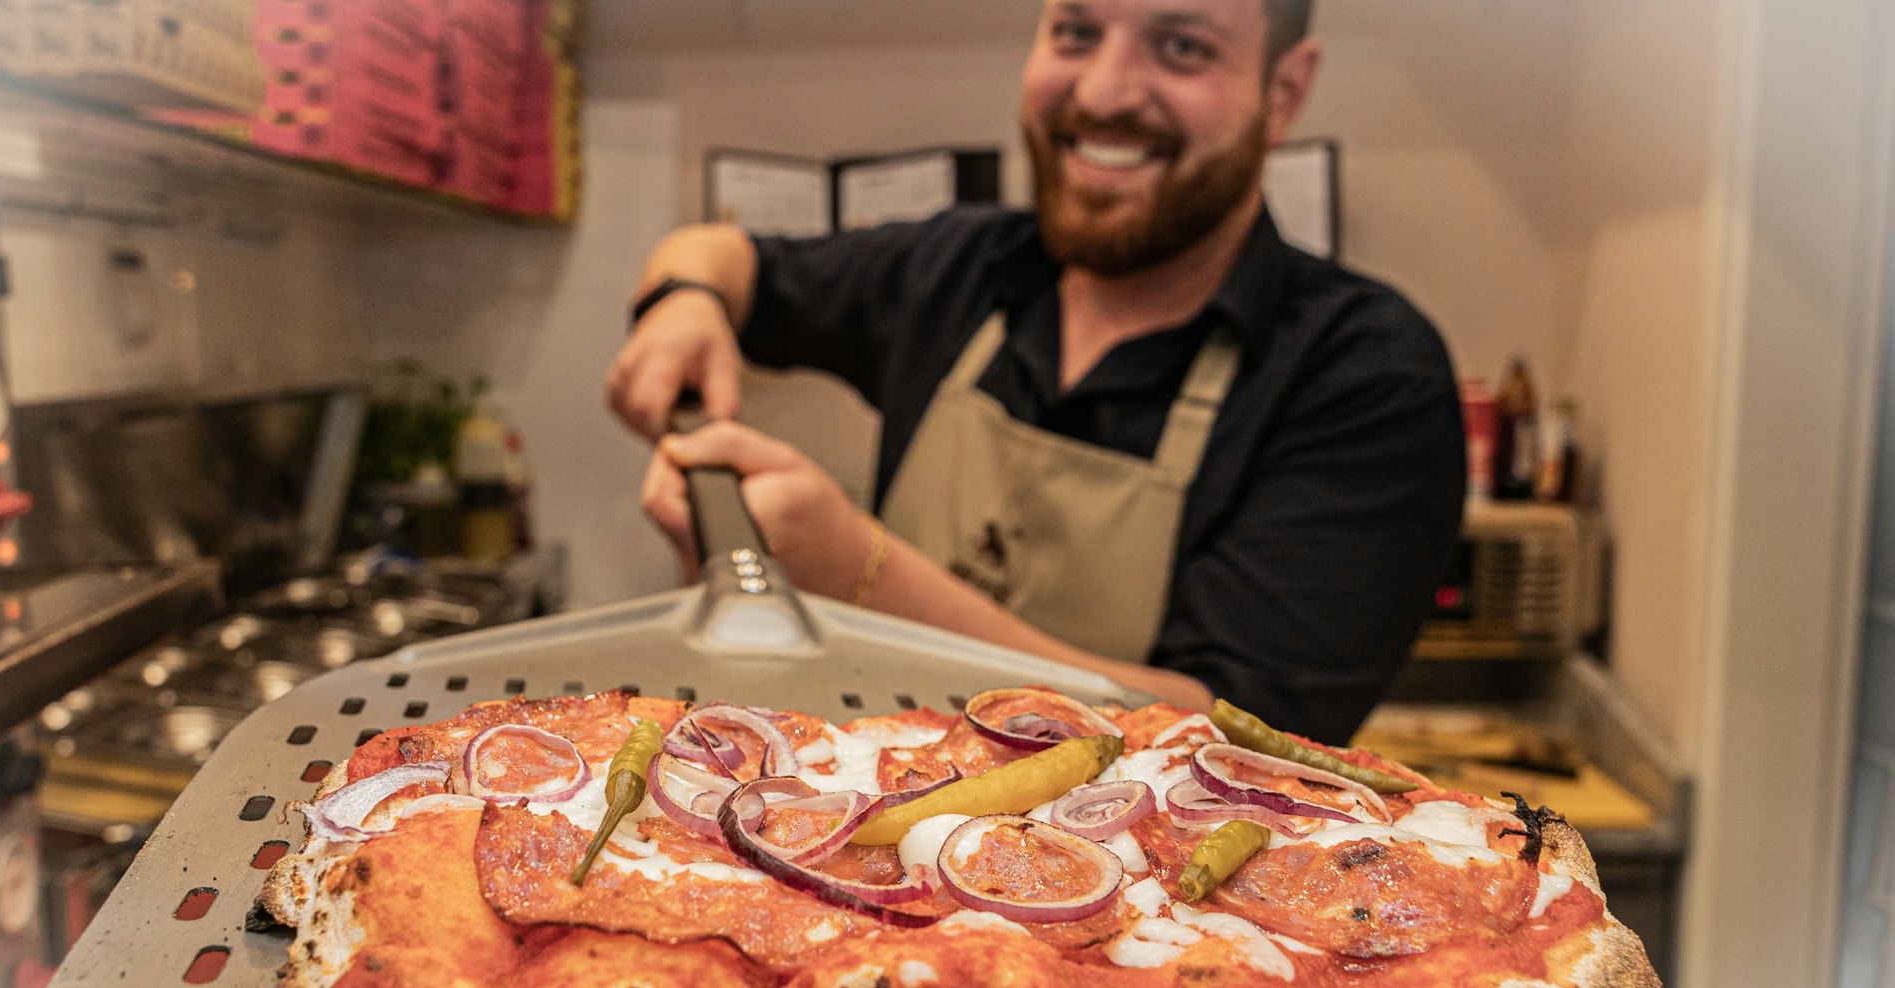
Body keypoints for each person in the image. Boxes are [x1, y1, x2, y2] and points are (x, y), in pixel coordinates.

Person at [604, 0, 1464, 745]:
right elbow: (719, 254)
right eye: (1075, 31)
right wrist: (685, 299)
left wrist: (855, 573)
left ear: (1283, 92)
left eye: (1184, 48)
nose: (1102, 92)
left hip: (1156, 917)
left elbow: (1244, 742)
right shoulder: (964, 270)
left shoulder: (1366, 372)